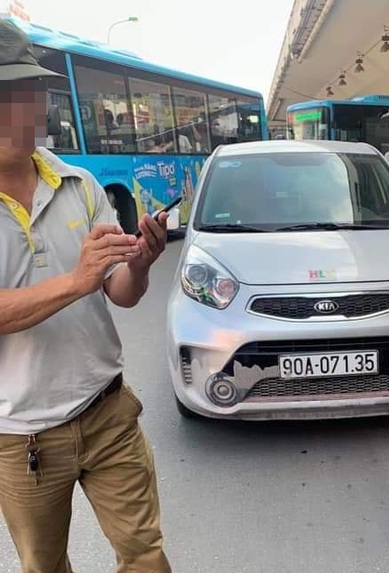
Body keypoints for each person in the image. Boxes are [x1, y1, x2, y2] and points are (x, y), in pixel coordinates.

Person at [0, 20, 172, 572]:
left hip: (108, 413)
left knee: (145, 557)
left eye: (30, 91)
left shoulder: (79, 184)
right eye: (8, 94)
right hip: (21, 438)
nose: (24, 109)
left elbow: (120, 294)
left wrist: (139, 263)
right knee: (44, 566)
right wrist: (77, 280)